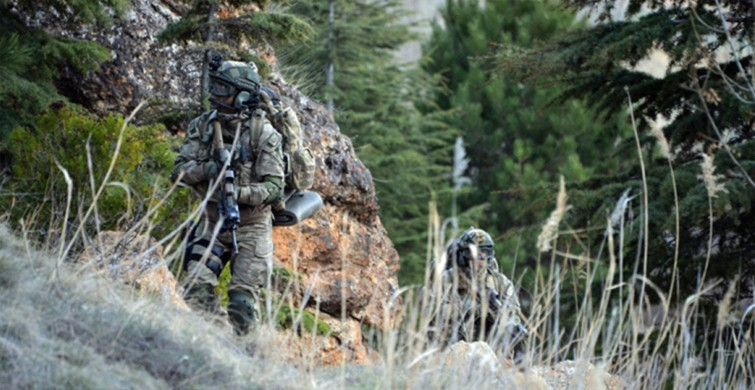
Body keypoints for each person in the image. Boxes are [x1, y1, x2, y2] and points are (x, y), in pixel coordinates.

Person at [171, 57, 285, 335]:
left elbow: (274, 187)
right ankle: (214, 341)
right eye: (214, 87)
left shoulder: (264, 134)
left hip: (252, 227)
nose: (214, 95)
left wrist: (240, 194)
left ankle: (246, 357)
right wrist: (210, 170)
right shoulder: (203, 126)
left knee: (242, 305)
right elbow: (179, 172)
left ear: (242, 94)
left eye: (223, 89)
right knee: (196, 292)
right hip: (210, 221)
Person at [429, 227, 528, 357]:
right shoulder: (447, 280)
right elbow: (434, 314)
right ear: (465, 254)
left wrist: (495, 311)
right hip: (450, 352)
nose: (480, 258)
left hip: (490, 353)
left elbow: (513, 314)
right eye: (475, 253)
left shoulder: (500, 283)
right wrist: (472, 307)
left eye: (485, 252)